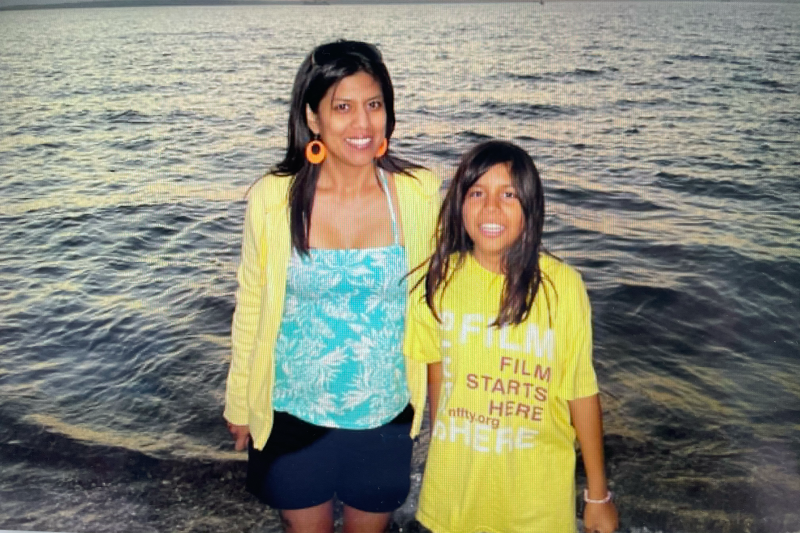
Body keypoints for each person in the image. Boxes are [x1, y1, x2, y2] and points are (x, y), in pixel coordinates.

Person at [224, 40, 440, 533]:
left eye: (374, 105)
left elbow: (436, 304)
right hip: (292, 414)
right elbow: (253, 303)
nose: (362, 125)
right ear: (313, 117)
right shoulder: (273, 198)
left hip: (384, 416)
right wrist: (240, 403)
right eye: (342, 107)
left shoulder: (417, 192)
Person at [405, 140, 618, 533]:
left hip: (537, 500)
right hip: (455, 494)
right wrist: (441, 451)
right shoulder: (436, 282)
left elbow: (581, 393)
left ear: (530, 208)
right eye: (477, 193)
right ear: (458, 203)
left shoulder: (563, 288)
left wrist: (597, 494)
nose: (491, 208)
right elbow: (438, 378)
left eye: (508, 194)